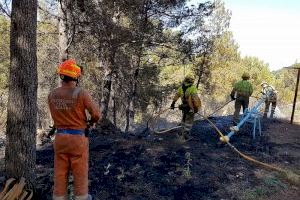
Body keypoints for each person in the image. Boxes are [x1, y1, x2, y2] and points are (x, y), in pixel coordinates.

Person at [48, 59, 101, 200]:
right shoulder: (81, 93)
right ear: (76, 76)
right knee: (80, 171)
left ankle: (58, 198)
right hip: (78, 139)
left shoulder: (52, 95)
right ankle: (82, 197)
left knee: (60, 172)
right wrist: (90, 122)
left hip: (60, 139)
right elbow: (96, 114)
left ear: (62, 76)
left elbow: (56, 116)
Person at [170, 75, 201, 140]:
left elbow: (176, 96)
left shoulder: (181, 88)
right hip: (190, 107)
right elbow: (195, 98)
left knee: (184, 118)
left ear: (185, 80)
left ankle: (182, 132)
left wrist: (173, 104)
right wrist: (195, 108)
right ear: (192, 81)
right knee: (189, 120)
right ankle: (186, 134)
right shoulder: (193, 88)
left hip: (183, 106)